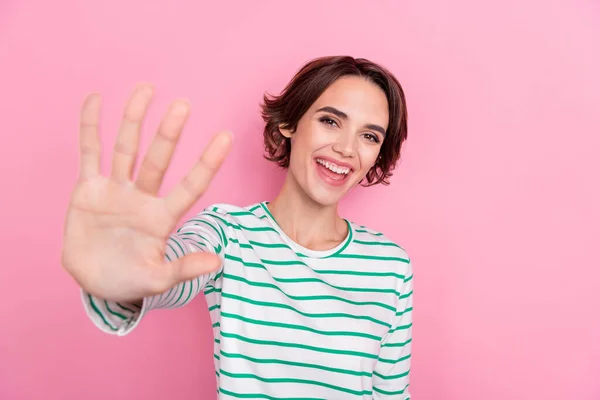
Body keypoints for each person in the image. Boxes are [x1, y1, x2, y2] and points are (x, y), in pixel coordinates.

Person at [61, 55, 413, 399]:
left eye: (370, 136)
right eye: (330, 121)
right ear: (289, 124)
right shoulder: (228, 234)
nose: (346, 148)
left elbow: (392, 394)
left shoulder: (391, 267)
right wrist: (119, 278)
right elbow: (166, 271)